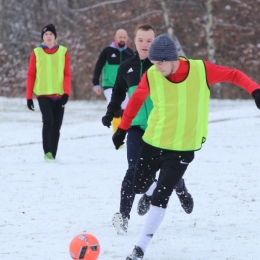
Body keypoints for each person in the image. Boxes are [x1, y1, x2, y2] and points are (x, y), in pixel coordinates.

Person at [112, 33, 260, 260]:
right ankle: (166, 190)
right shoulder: (152, 74)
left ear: (172, 58)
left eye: (160, 62)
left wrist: (254, 89)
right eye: (153, 63)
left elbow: (233, 75)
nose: (156, 67)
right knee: (139, 185)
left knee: (162, 195)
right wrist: (122, 128)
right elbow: (136, 101)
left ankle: (139, 248)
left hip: (183, 146)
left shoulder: (201, 70)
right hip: (153, 141)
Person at [102, 25, 194, 235]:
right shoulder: (126, 67)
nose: (145, 44)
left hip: (162, 127)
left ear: (156, 43)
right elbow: (117, 94)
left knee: (166, 171)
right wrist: (110, 113)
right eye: (141, 40)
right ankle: (124, 218)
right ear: (134, 41)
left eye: (150, 40)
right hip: (136, 127)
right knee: (133, 170)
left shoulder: (164, 66)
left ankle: (180, 189)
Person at [26, 23, 71, 161]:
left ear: (55, 36)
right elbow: (31, 75)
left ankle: (53, 153)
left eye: (51, 34)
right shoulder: (36, 52)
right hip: (43, 94)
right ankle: (47, 152)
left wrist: (66, 93)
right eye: (46, 34)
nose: (48, 36)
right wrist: (29, 97)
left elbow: (67, 74)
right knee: (48, 121)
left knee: (56, 126)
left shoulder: (63, 51)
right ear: (43, 37)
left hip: (59, 96)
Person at [93, 29, 134, 132]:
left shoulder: (130, 53)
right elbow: (98, 67)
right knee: (116, 108)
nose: (122, 39)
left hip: (124, 86)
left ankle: (123, 132)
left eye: (124, 37)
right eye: (120, 37)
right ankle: (117, 134)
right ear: (115, 37)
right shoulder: (107, 51)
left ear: (127, 39)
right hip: (109, 85)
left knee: (125, 110)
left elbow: (134, 70)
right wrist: (96, 83)